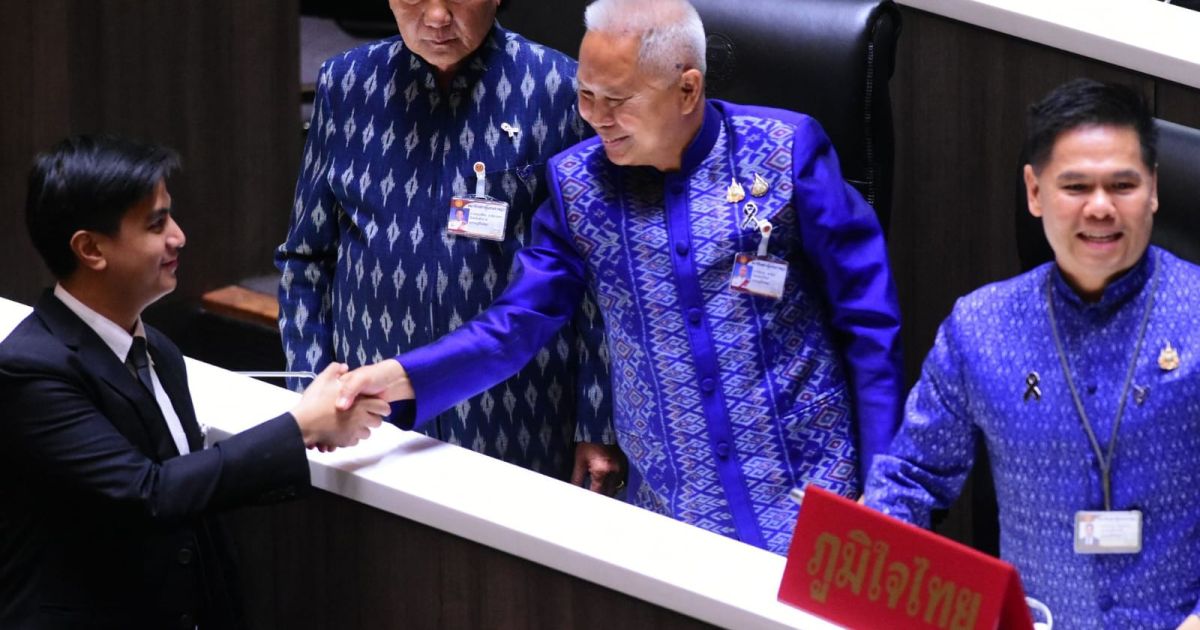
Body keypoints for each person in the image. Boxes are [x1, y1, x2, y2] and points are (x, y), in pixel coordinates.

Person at [336, 0, 903, 554]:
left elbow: (870, 324)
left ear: (687, 90)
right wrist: (401, 378)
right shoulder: (578, 188)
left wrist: (881, 494)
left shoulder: (784, 153)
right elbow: (514, 326)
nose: (595, 117)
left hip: (813, 495)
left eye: (618, 100)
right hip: (674, 522)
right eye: (586, 95)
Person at [0, 135, 387, 628]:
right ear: (91, 248)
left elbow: (192, 495)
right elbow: (148, 495)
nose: (179, 237)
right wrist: (300, 427)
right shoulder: (30, 369)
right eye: (156, 224)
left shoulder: (158, 349)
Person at [863, 79, 1200, 629]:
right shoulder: (981, 328)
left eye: (1122, 185)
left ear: (1154, 190)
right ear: (1035, 192)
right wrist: (879, 573)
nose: (1099, 208)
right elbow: (909, 478)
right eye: (1075, 186)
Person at [275, 0, 620, 490]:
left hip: (514, 417)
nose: (436, 18)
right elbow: (305, 257)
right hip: (367, 415)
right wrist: (310, 391)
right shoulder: (346, 83)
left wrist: (597, 422)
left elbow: (596, 276)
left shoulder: (558, 89)